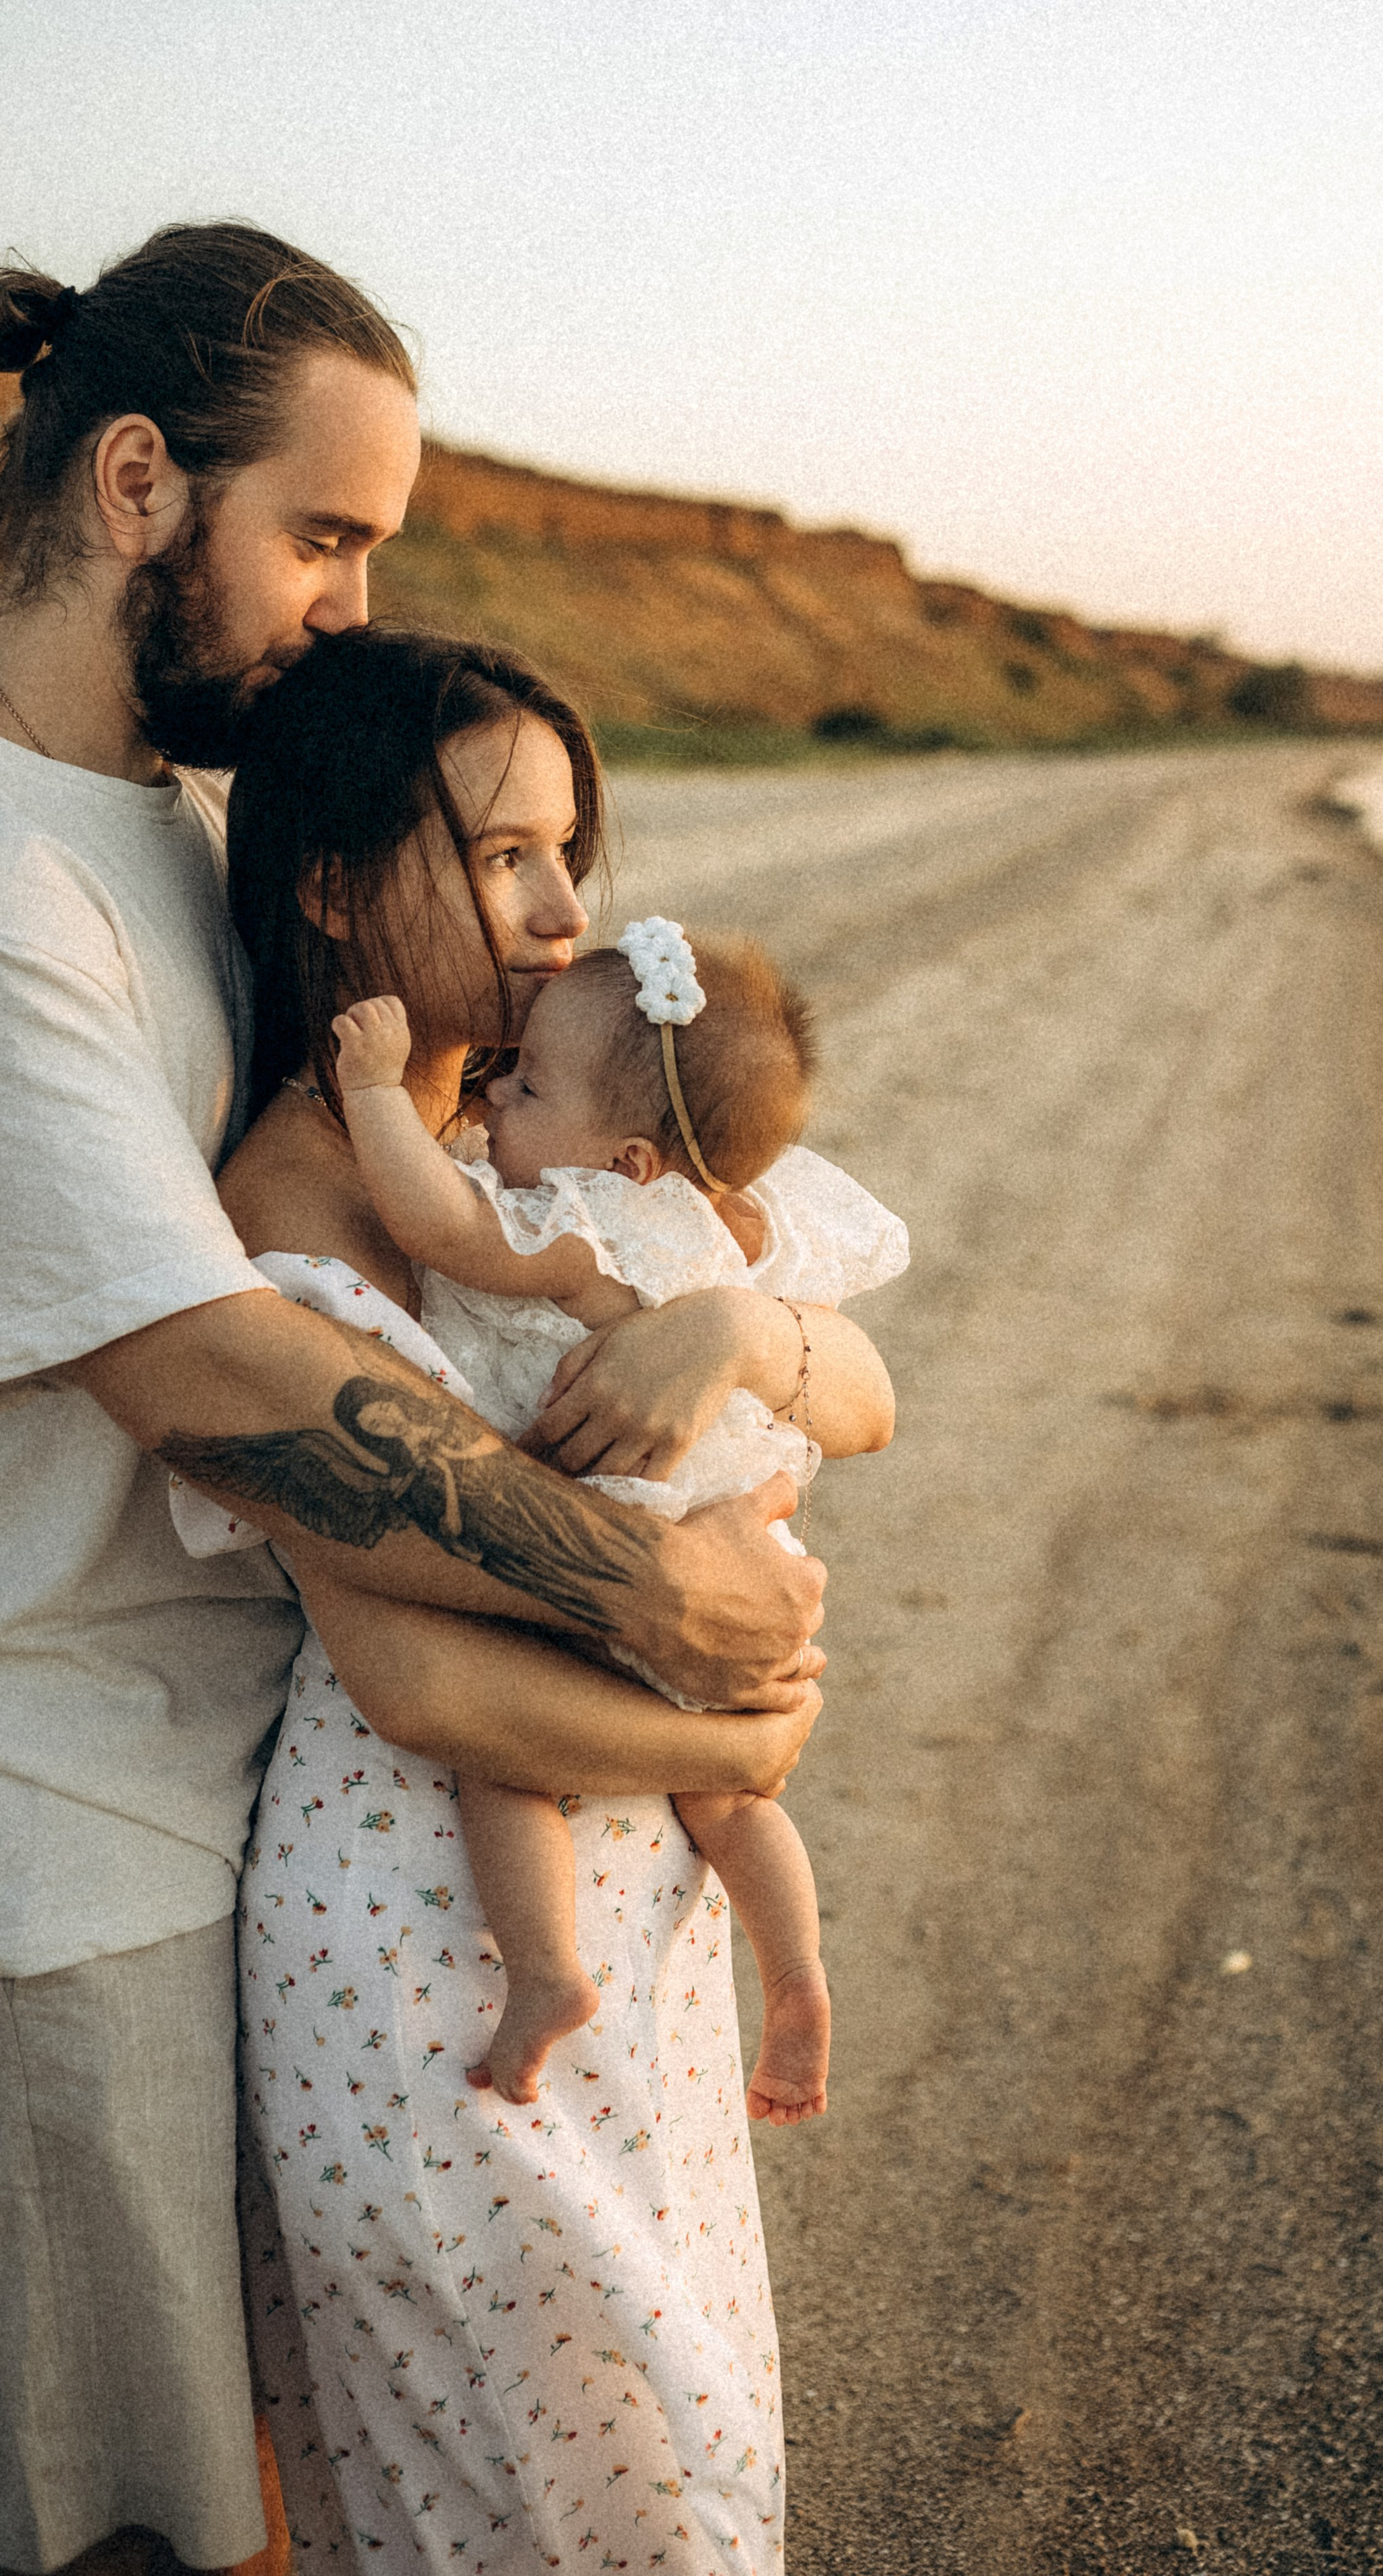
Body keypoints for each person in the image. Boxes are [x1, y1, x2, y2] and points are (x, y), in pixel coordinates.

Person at [0, 228, 839, 2576]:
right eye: (327, 537)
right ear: (141, 482)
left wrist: (753, 1339)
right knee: (135, 2528)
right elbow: (231, 1374)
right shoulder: (13, 895)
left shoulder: (164, 833)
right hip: (66, 1845)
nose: (353, 607)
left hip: (252, 1788)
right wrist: (667, 1613)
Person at [201, 625, 894, 2572]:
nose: (563, 907)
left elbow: (869, 1389)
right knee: (557, 2485)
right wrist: (745, 1732)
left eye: (570, 851)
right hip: (429, 1934)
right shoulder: (314, 1185)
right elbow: (411, 1671)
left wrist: (740, 1325)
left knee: (672, 2449)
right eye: (507, 855)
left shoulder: (588, 1118)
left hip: (628, 1911)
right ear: (337, 886)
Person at [328, 920, 908, 2117]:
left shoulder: (586, 1221)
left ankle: (544, 1973)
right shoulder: (712, 1220)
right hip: (735, 1542)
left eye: (526, 1083)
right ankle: (796, 1973)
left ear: (634, 1159)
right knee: (737, 1804)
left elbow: (439, 1226)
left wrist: (375, 1091)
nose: (491, 1097)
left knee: (503, 1758)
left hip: (611, 1543)